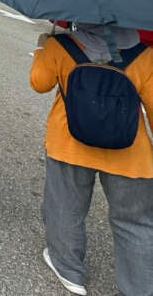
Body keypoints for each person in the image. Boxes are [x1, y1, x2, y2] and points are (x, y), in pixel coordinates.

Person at [30, 25, 153, 296]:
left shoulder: (60, 45)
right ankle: (140, 288)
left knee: (65, 207)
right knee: (135, 223)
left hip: (69, 143)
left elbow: (40, 83)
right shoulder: (145, 55)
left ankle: (69, 269)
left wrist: (42, 47)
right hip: (129, 152)